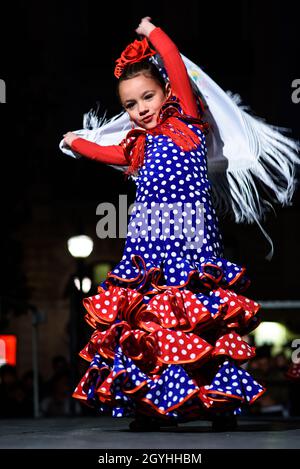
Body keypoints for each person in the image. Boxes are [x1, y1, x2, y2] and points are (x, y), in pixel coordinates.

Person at [61, 17, 298, 431]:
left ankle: (219, 403)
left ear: (167, 91)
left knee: (196, 323)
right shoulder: (138, 145)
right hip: (148, 245)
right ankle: (157, 408)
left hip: (191, 242)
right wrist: (75, 142)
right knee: (153, 327)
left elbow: (171, 58)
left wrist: (151, 31)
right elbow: (107, 154)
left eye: (147, 97)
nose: (141, 110)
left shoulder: (187, 121)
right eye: (131, 106)